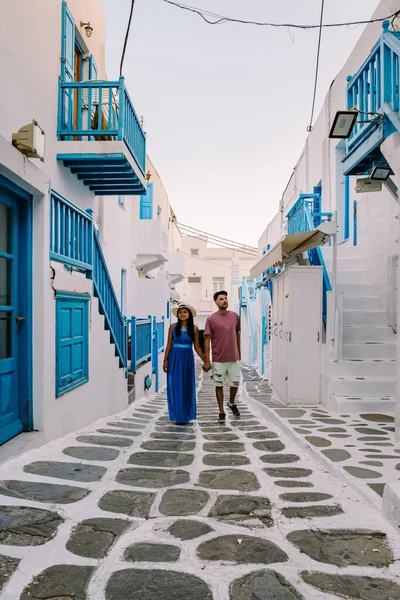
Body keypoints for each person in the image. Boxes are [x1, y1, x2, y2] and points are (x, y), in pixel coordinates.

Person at [163, 304, 205, 424]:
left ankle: (185, 414)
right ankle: (177, 414)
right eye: (180, 312)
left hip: (187, 359)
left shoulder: (195, 329)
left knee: (186, 385)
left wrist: (205, 360)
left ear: (189, 314)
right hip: (174, 358)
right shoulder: (172, 327)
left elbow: (196, 347)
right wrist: (165, 360)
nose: (182, 314)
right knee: (175, 385)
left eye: (185, 312)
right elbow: (169, 345)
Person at [203, 290, 241, 423]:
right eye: (221, 299)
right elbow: (206, 340)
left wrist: (239, 352)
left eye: (225, 298)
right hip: (218, 358)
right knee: (218, 385)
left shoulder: (235, 316)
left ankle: (231, 403)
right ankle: (221, 411)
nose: (224, 300)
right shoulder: (211, 319)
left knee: (235, 383)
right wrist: (207, 360)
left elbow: (237, 335)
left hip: (233, 358)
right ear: (216, 302)